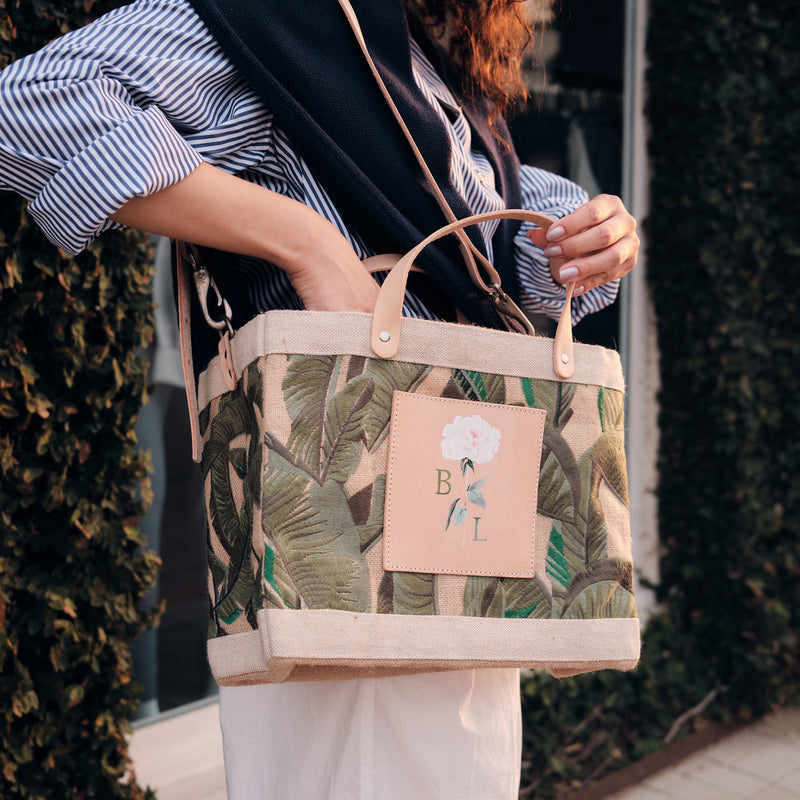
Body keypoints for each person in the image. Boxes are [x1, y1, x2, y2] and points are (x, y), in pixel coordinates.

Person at [0, 0, 638, 797]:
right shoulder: (289, 16)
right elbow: (34, 100)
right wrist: (306, 243)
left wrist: (588, 232)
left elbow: (476, 235)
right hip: (344, 513)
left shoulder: (415, 51)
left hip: (447, 543)